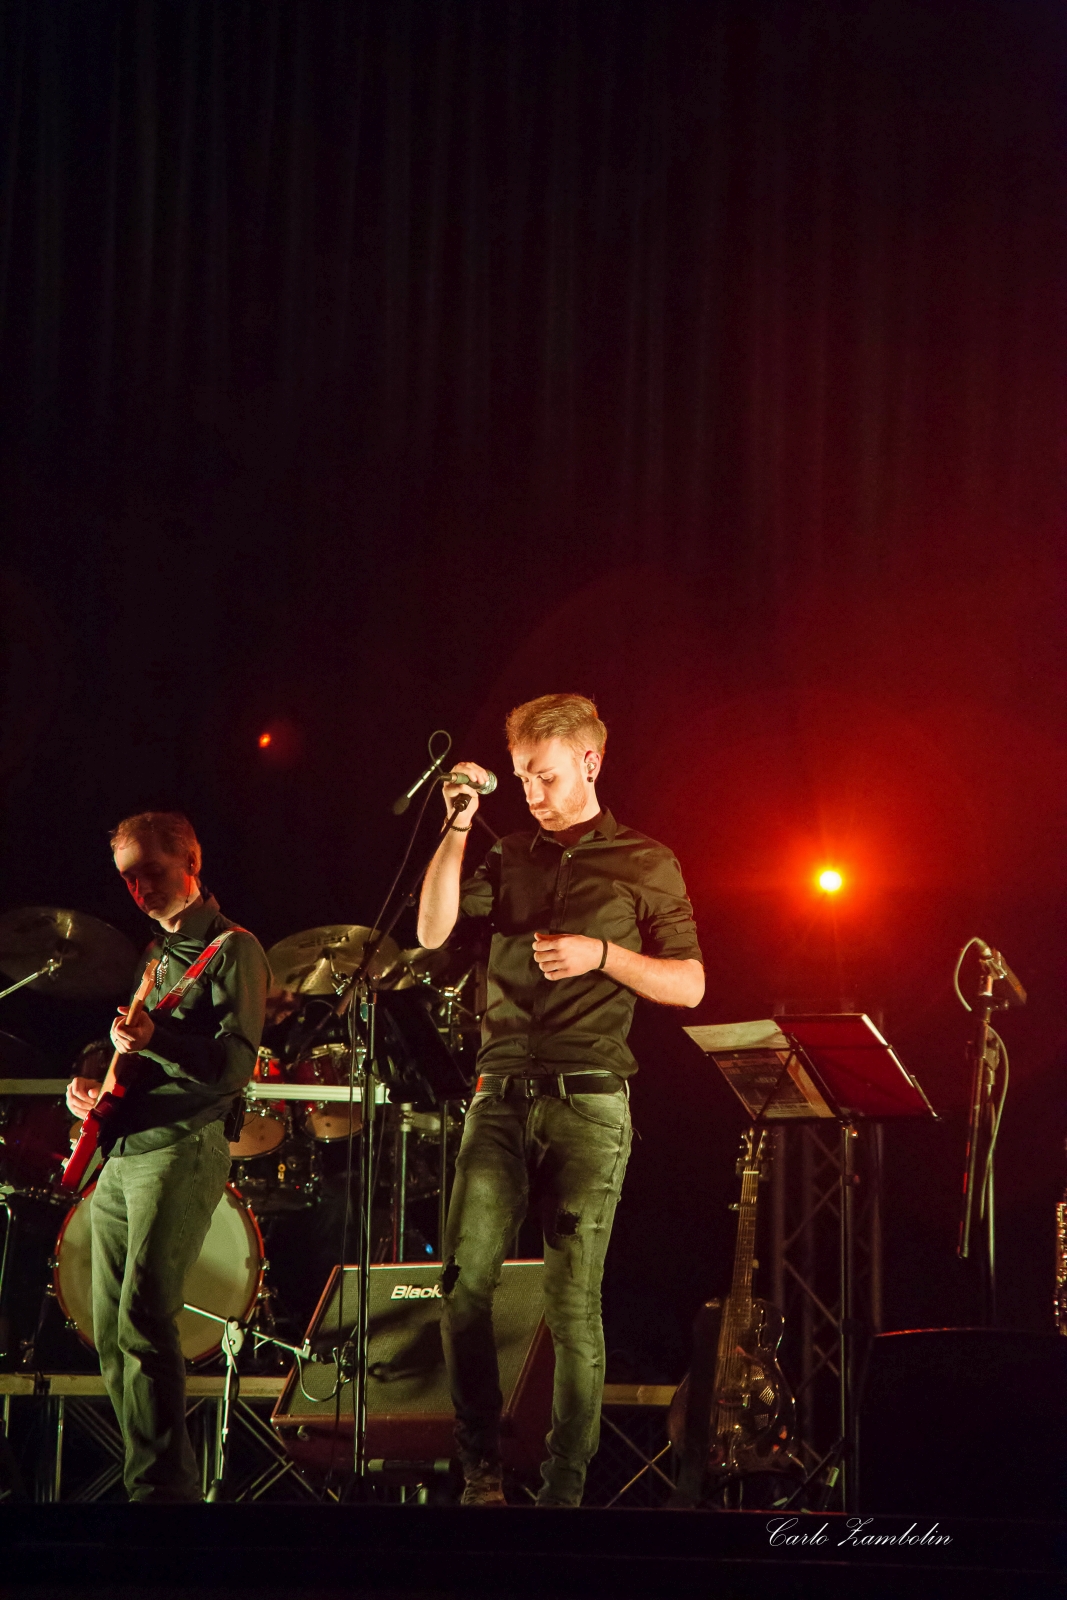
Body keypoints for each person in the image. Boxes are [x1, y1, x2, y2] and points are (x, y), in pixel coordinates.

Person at [418, 693, 704, 1507]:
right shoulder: (506, 853)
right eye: (521, 778)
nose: (532, 792)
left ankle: (562, 1496)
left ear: (590, 762)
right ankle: (479, 1471)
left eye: (544, 776)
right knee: (463, 1287)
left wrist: (602, 954)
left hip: (589, 1102)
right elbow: (433, 931)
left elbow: (689, 983)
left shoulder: (646, 860)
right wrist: (457, 825)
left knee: (571, 1302)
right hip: (498, 1093)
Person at [66, 812, 269, 1503]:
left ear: (192, 860)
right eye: (128, 878)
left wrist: (156, 1040)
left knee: (145, 1321)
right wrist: (90, 1084)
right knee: (112, 1331)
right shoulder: (155, 953)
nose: (139, 889)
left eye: (150, 871)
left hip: (183, 1145)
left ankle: (162, 1498)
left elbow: (234, 1067)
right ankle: (146, 1486)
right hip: (125, 1151)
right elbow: (129, 1047)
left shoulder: (235, 950)